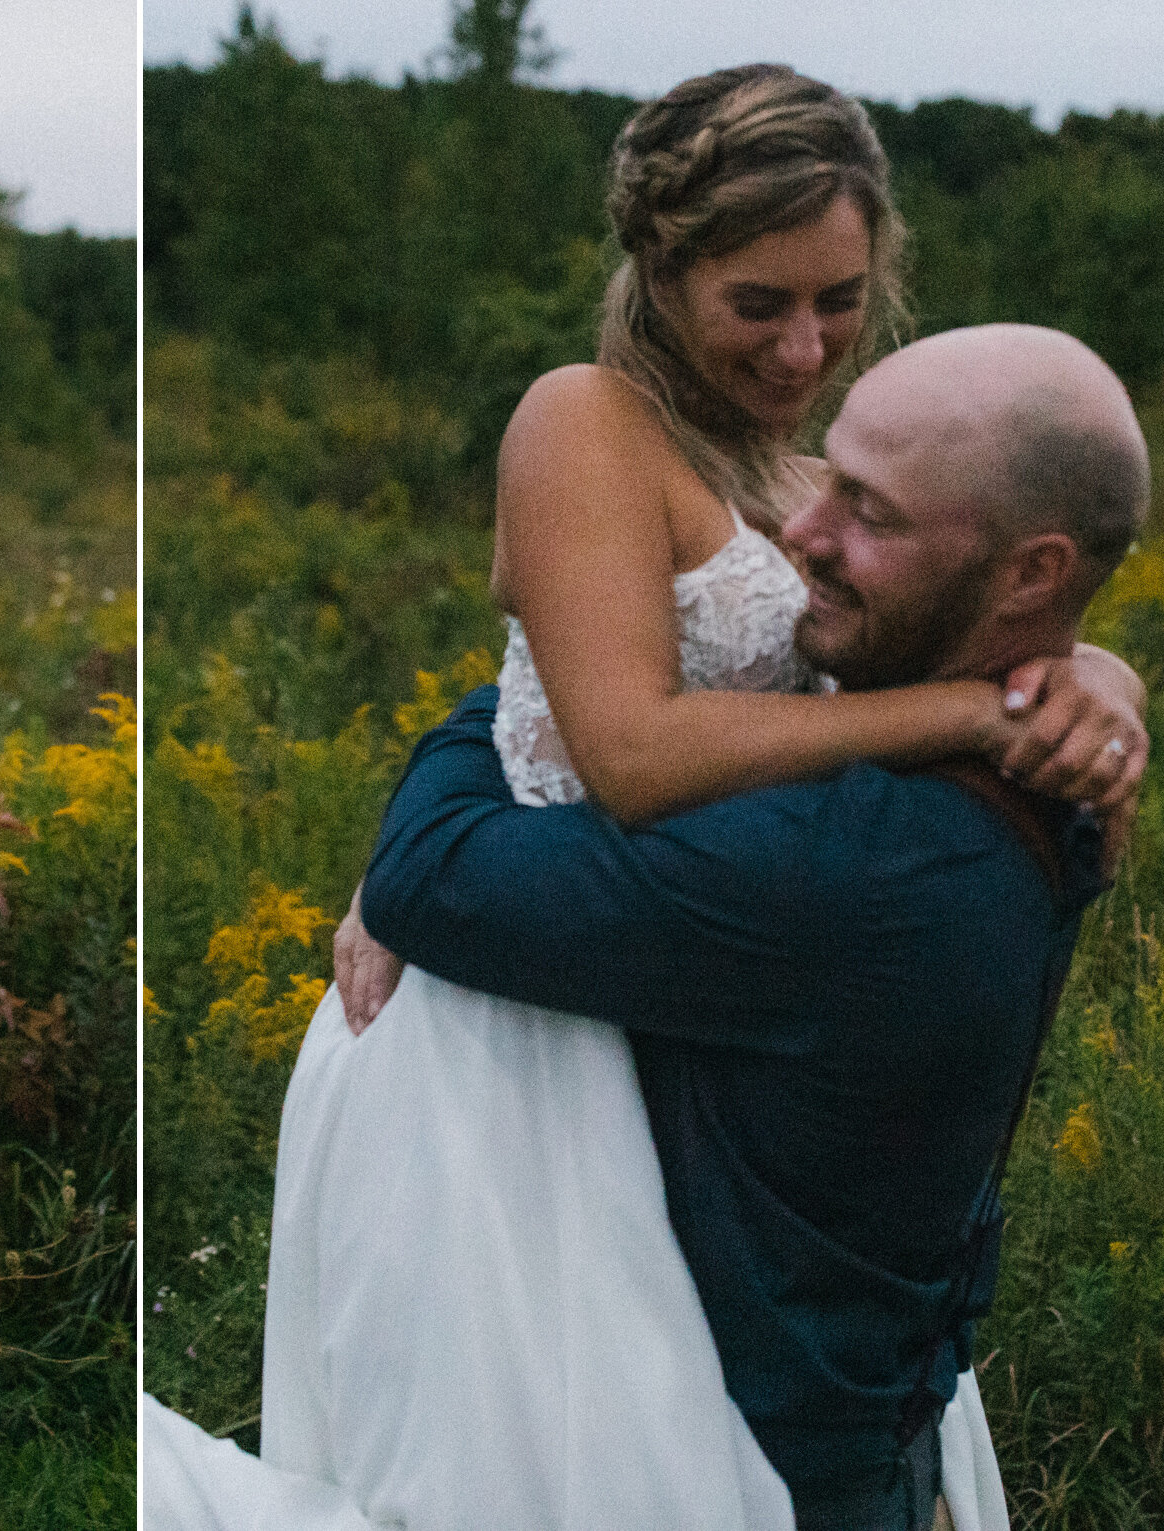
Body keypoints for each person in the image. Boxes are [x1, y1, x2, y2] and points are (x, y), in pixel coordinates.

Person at [143, 67, 1147, 1531]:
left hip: (677, 991)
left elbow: (976, 596)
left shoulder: (803, 474)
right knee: (524, 1460)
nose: (806, 345)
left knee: (670, 1441)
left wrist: (1097, 670)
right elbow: (623, 752)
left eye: (843, 299)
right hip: (515, 1012)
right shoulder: (586, 421)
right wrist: (965, 711)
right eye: (759, 302)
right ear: (661, 275)